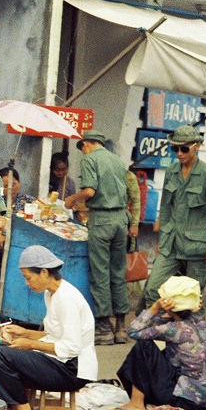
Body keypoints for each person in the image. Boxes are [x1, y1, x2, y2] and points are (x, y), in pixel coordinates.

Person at [0, 246, 96, 410]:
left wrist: (29, 344)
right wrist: (25, 333)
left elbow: (70, 347)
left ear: (44, 272)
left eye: (28, 277)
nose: (27, 283)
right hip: (61, 362)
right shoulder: (51, 294)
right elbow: (53, 335)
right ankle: (16, 408)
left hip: (72, 370)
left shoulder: (67, 298)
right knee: (0, 350)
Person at [142, 125, 206, 315]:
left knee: (193, 298)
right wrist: (163, 237)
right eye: (175, 148)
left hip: (197, 248)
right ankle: (159, 334)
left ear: (197, 146)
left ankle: (195, 340)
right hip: (172, 245)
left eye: (184, 148)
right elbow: (167, 206)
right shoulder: (172, 171)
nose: (179, 153)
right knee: (153, 290)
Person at [107, 276, 206, 410]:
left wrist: (155, 308)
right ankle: (140, 399)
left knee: (143, 347)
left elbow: (134, 331)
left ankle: (136, 405)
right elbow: (160, 325)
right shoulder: (199, 322)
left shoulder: (175, 329)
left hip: (183, 400)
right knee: (159, 351)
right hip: (201, 401)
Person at [64, 130, 130, 345]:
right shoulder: (118, 162)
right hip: (121, 219)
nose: (82, 152)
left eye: (82, 147)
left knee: (100, 272)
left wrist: (72, 199)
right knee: (118, 273)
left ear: (87, 144)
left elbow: (90, 191)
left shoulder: (90, 160)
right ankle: (121, 327)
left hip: (102, 219)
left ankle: (103, 328)